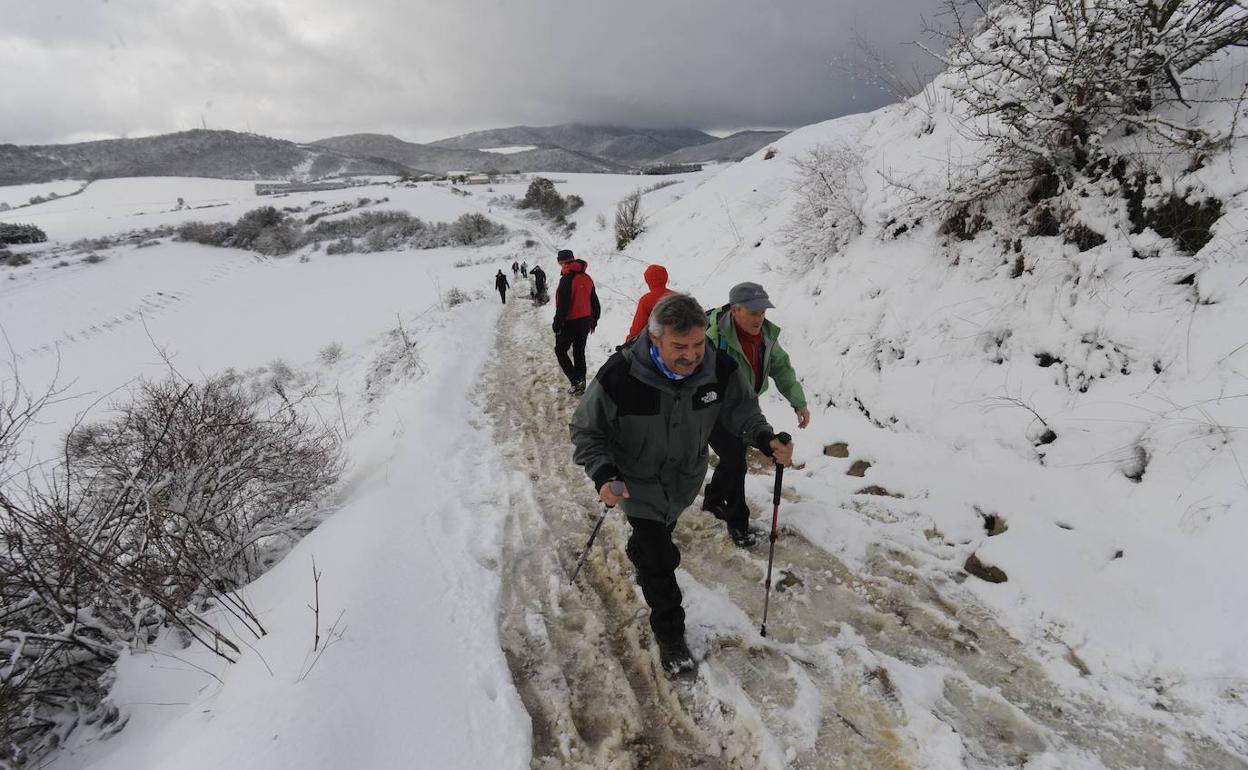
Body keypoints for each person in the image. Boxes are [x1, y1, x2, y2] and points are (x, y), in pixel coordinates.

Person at [571, 293, 794, 676]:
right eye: (679, 347)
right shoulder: (621, 374)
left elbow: (743, 410)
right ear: (655, 339)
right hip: (637, 484)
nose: (692, 355)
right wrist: (603, 473)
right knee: (661, 561)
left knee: (654, 541)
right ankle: (670, 633)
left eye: (697, 344)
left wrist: (765, 438)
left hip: (684, 481)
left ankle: (641, 547)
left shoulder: (717, 367)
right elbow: (587, 430)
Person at [703, 282, 809, 547]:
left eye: (763, 312)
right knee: (736, 461)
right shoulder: (714, 339)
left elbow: (781, 368)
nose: (759, 318)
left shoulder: (765, 337)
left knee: (733, 458)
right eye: (753, 312)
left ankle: (713, 498)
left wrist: (798, 401)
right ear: (736, 310)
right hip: (711, 409)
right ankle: (738, 523)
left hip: (744, 407)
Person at [552, 249, 600, 395]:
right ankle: (581, 382)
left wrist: (557, 324)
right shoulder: (587, 278)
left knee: (560, 351)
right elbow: (595, 302)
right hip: (585, 321)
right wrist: (594, 320)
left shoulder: (566, 279)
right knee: (579, 352)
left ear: (561, 262)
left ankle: (575, 381)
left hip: (570, 323)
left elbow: (563, 305)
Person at [624, 264, 675, 344]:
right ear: (666, 278)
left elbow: (638, 327)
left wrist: (629, 341)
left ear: (648, 281)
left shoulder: (646, 300)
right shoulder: (677, 296)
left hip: (658, 346)